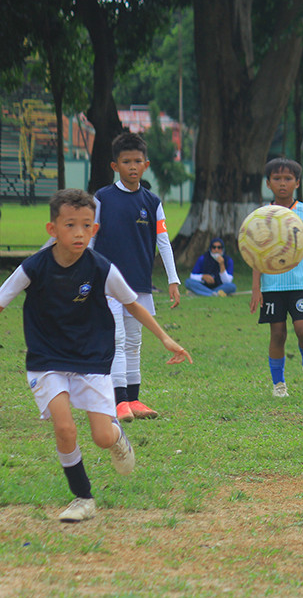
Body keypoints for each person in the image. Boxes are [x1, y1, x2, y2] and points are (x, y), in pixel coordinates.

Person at [0, 189, 192, 522]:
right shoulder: (34, 266)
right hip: (47, 360)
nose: (78, 233)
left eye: (86, 226)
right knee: (65, 429)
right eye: (70, 225)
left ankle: (118, 438)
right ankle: (83, 498)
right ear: (52, 229)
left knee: (102, 436)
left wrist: (165, 338)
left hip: (91, 361)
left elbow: (133, 302)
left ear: (95, 230)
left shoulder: (101, 268)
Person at [92, 131, 182, 423]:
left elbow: (164, 241)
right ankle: (118, 403)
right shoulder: (102, 198)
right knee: (116, 339)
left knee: (134, 342)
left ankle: (134, 398)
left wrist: (173, 279)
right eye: (126, 161)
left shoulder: (152, 202)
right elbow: (90, 239)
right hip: (107, 285)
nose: (132, 166)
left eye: (137, 161)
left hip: (140, 285)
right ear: (115, 166)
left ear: (146, 165)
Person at [250, 157, 303, 397]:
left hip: (300, 284)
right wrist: (256, 288)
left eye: (287, 179)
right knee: (278, 333)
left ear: (297, 182)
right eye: (277, 179)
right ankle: (279, 384)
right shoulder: (262, 215)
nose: (282, 183)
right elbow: (257, 252)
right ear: (268, 184)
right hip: (272, 285)